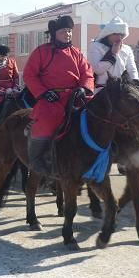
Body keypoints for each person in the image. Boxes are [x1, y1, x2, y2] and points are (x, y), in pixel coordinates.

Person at [23, 15, 95, 176]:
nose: (67, 34)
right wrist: (43, 93)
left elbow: (87, 73)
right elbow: (29, 75)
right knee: (46, 123)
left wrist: (84, 88)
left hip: (76, 98)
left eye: (69, 31)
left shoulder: (76, 53)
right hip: (51, 99)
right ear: (54, 33)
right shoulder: (41, 52)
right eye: (64, 31)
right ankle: (37, 159)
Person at [88, 16, 139, 93]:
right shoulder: (95, 46)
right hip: (101, 91)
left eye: (121, 34)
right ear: (108, 34)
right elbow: (98, 70)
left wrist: (135, 82)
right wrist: (113, 53)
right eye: (115, 34)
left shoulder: (127, 49)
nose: (119, 37)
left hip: (121, 91)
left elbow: (132, 69)